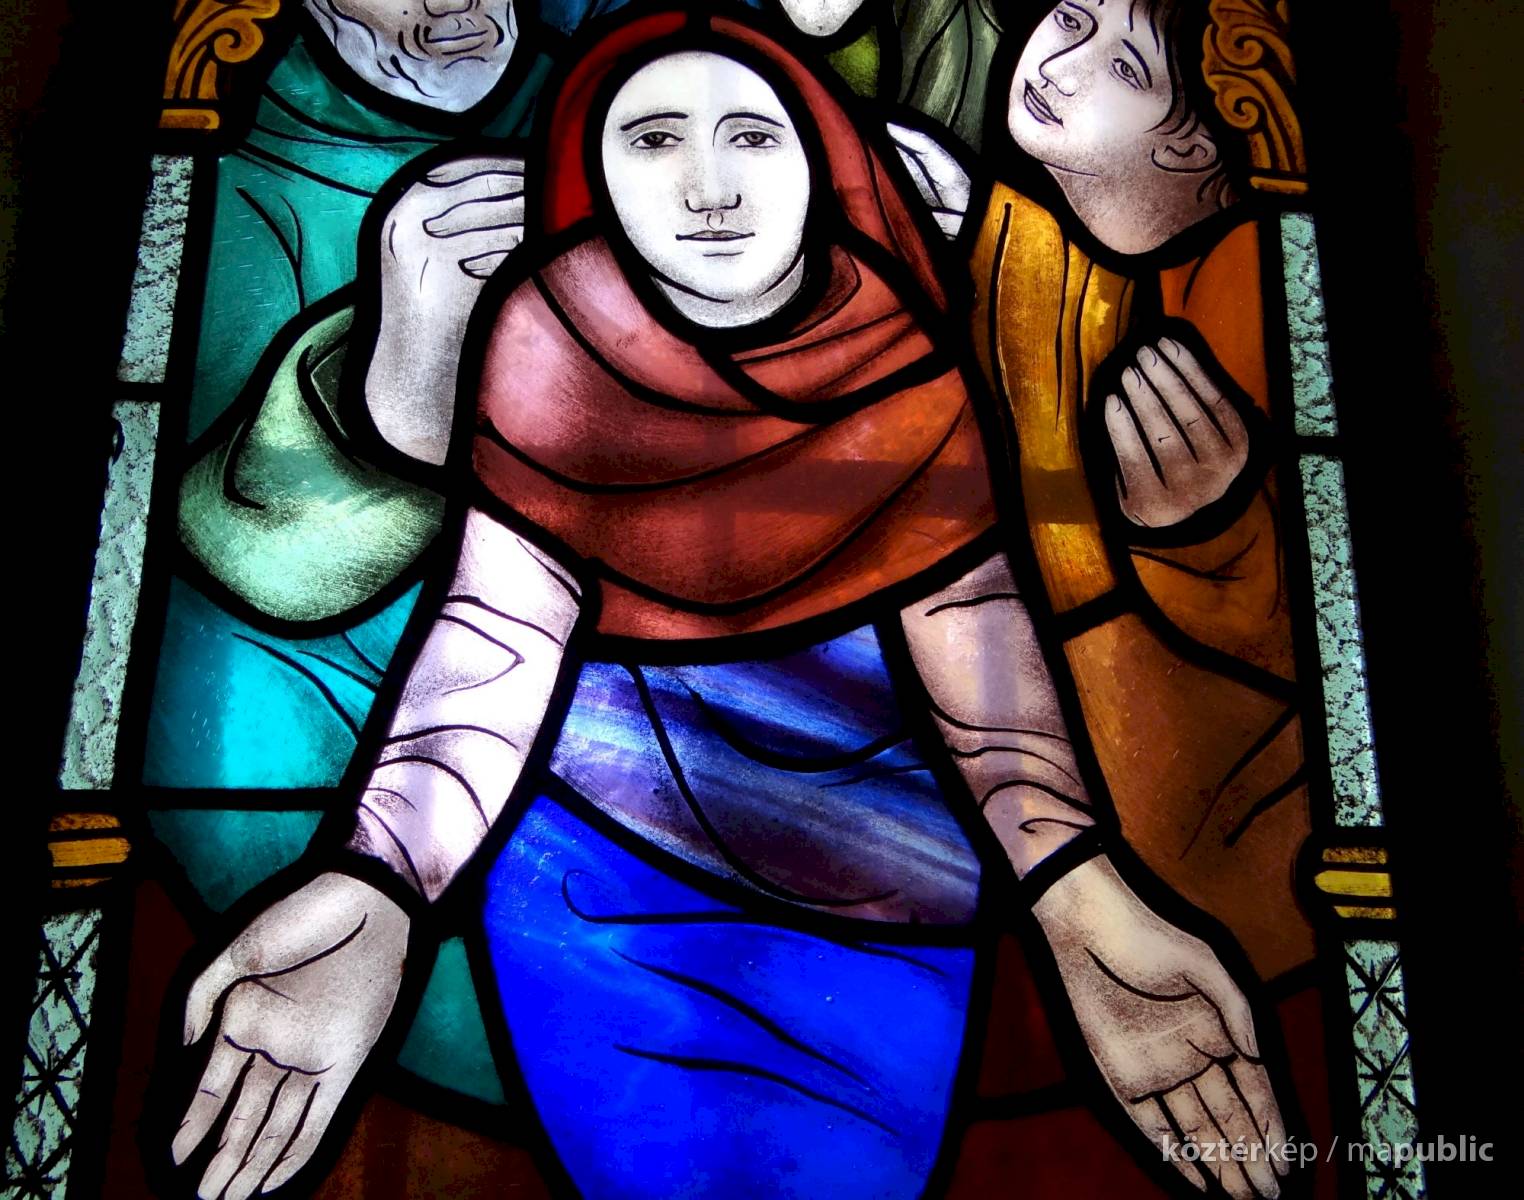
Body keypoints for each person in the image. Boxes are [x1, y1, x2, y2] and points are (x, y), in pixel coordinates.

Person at [165, 10, 1290, 1200]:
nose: (708, 188)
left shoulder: (902, 354)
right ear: (594, 172)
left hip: (885, 879)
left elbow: (980, 660)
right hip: (597, 881)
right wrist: (377, 882)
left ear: (821, 159)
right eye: (652, 139)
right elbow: (494, 641)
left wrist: (1082, 899)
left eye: (752, 135)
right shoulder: (550, 338)